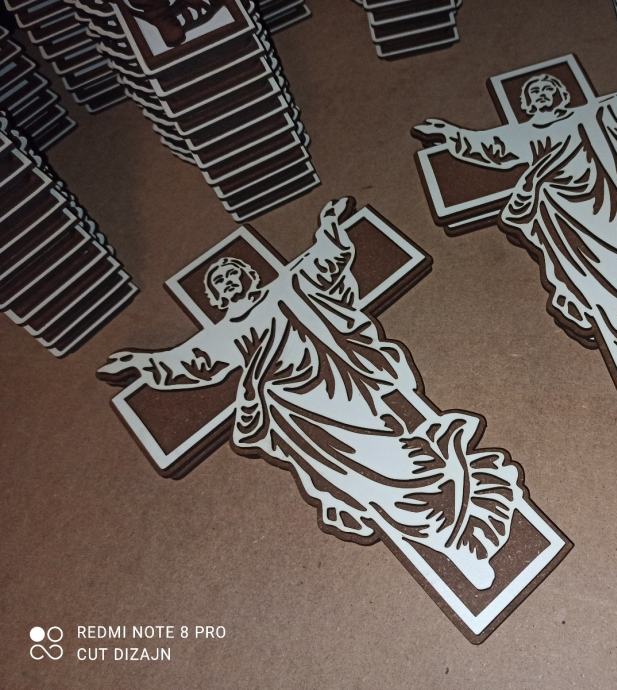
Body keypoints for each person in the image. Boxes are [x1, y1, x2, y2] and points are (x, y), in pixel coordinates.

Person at [99, 199, 524, 590]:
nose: (229, 282)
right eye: (220, 283)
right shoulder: (224, 334)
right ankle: (454, 546)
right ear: (215, 299)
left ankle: (465, 523)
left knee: (405, 457)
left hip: (351, 394)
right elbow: (190, 362)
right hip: (306, 421)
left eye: (232, 274)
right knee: (367, 483)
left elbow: (326, 260)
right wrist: (141, 363)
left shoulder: (288, 286)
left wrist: (329, 226)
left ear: (249, 276)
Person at [414, 59, 617, 408]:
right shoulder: (523, 135)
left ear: (561, 95)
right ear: (526, 105)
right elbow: (489, 147)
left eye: (548, 89)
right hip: (570, 229)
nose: (542, 94)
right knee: (603, 293)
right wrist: (450, 134)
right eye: (534, 92)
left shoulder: (592, 115)